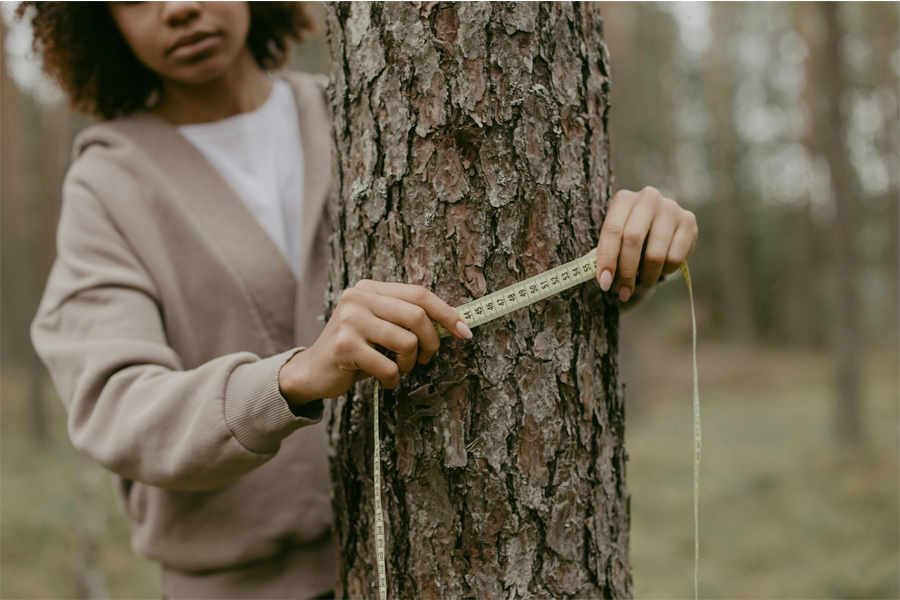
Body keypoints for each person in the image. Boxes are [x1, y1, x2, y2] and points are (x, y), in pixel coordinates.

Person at [19, 2, 699, 599]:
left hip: (429, 562)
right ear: (96, 18)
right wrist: (291, 378)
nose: (178, 8)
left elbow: (494, 279)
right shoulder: (108, 183)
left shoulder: (374, 112)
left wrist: (627, 247)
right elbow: (115, 406)